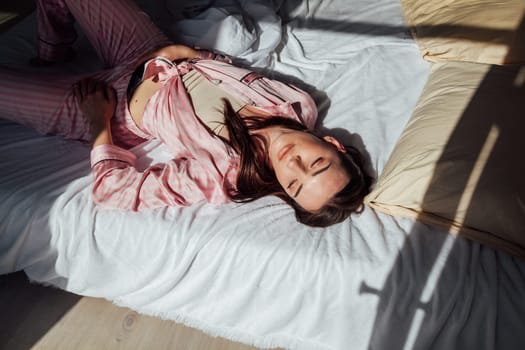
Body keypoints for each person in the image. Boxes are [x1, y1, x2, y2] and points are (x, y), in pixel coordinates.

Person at [0, 0, 371, 227]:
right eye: (316, 163)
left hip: (108, 105)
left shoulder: (225, 175)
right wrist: (189, 55)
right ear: (333, 143)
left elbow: (113, 192)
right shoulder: (299, 103)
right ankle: (52, 52)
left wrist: (98, 124)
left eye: (293, 184)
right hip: (153, 53)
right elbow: (230, 75)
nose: (293, 165)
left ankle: (57, 69)